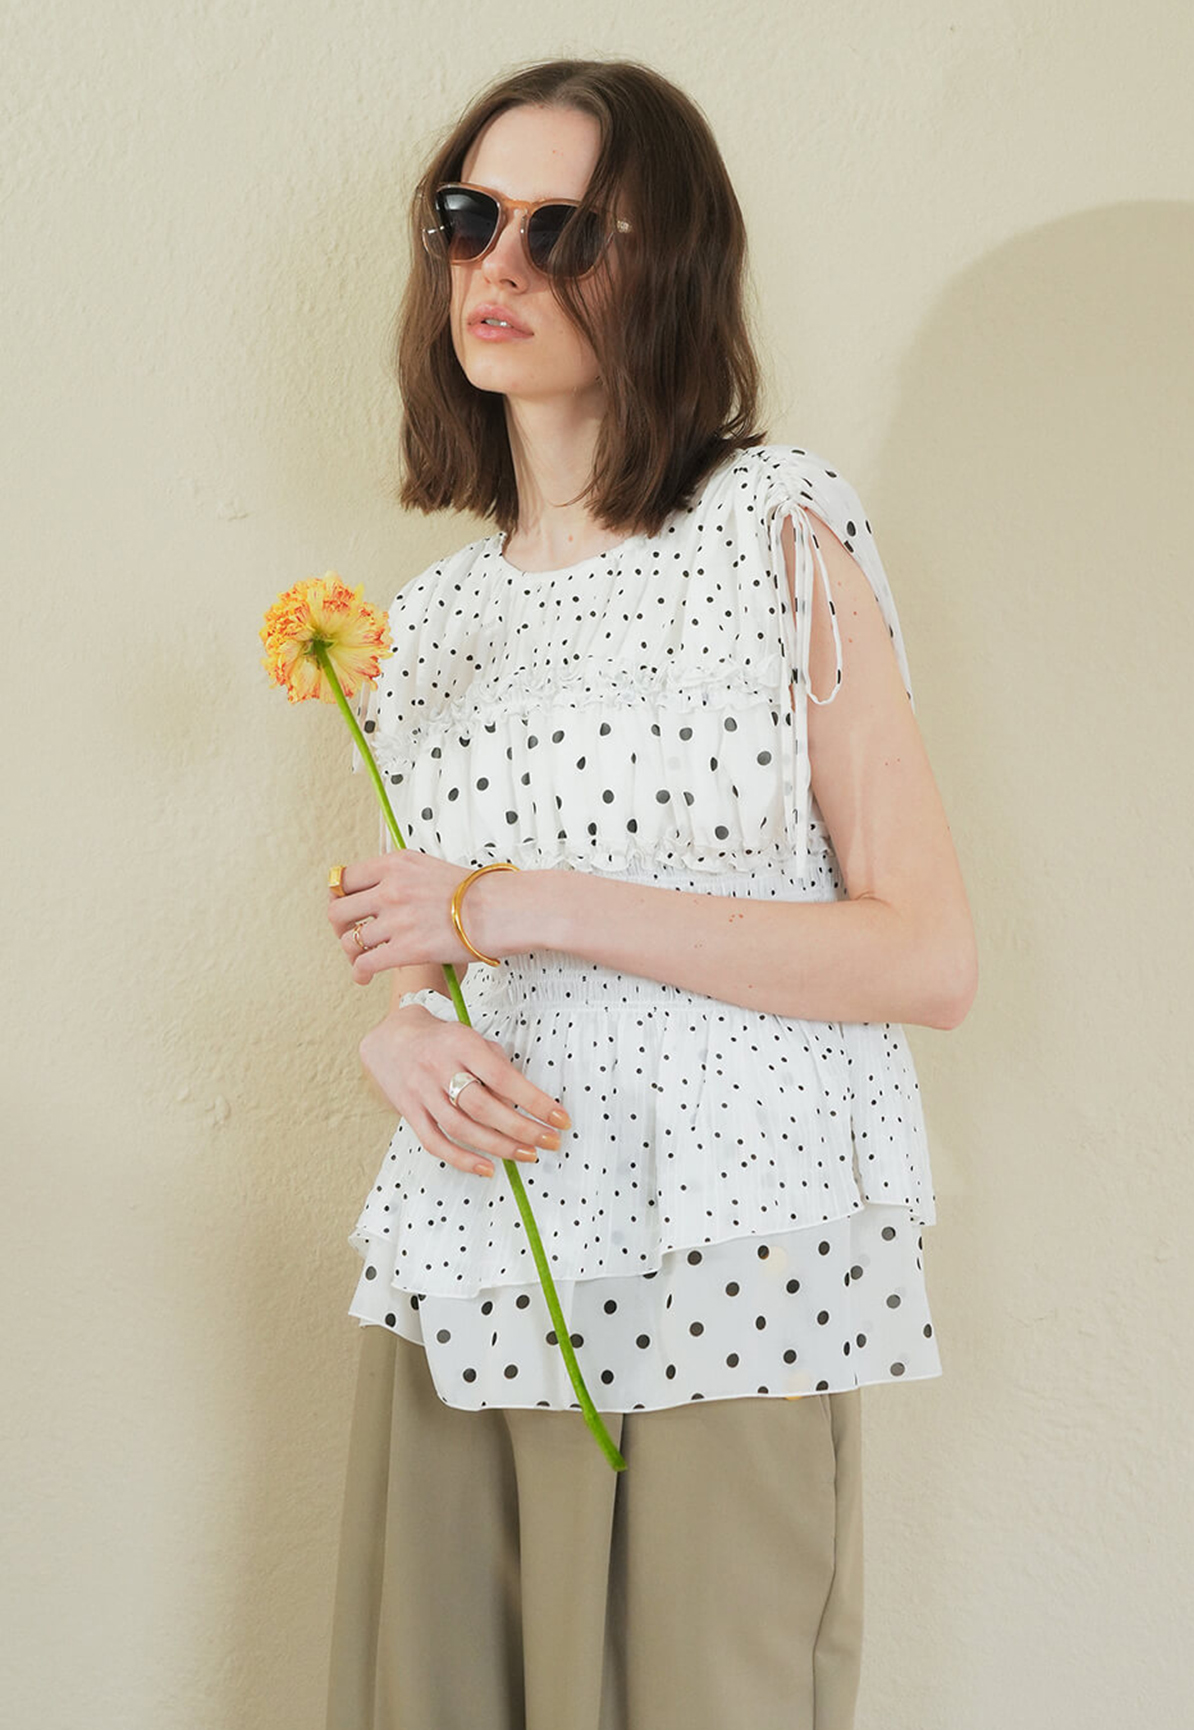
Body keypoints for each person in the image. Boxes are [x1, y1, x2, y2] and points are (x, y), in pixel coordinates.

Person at [322, 56, 977, 1730]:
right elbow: (424, 945)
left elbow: (926, 952)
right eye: (469, 218)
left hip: (739, 1250)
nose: (499, 265)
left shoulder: (776, 526)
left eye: (562, 231)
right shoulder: (431, 618)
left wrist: (528, 901)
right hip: (481, 1251)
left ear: (666, 264)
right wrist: (401, 1033)